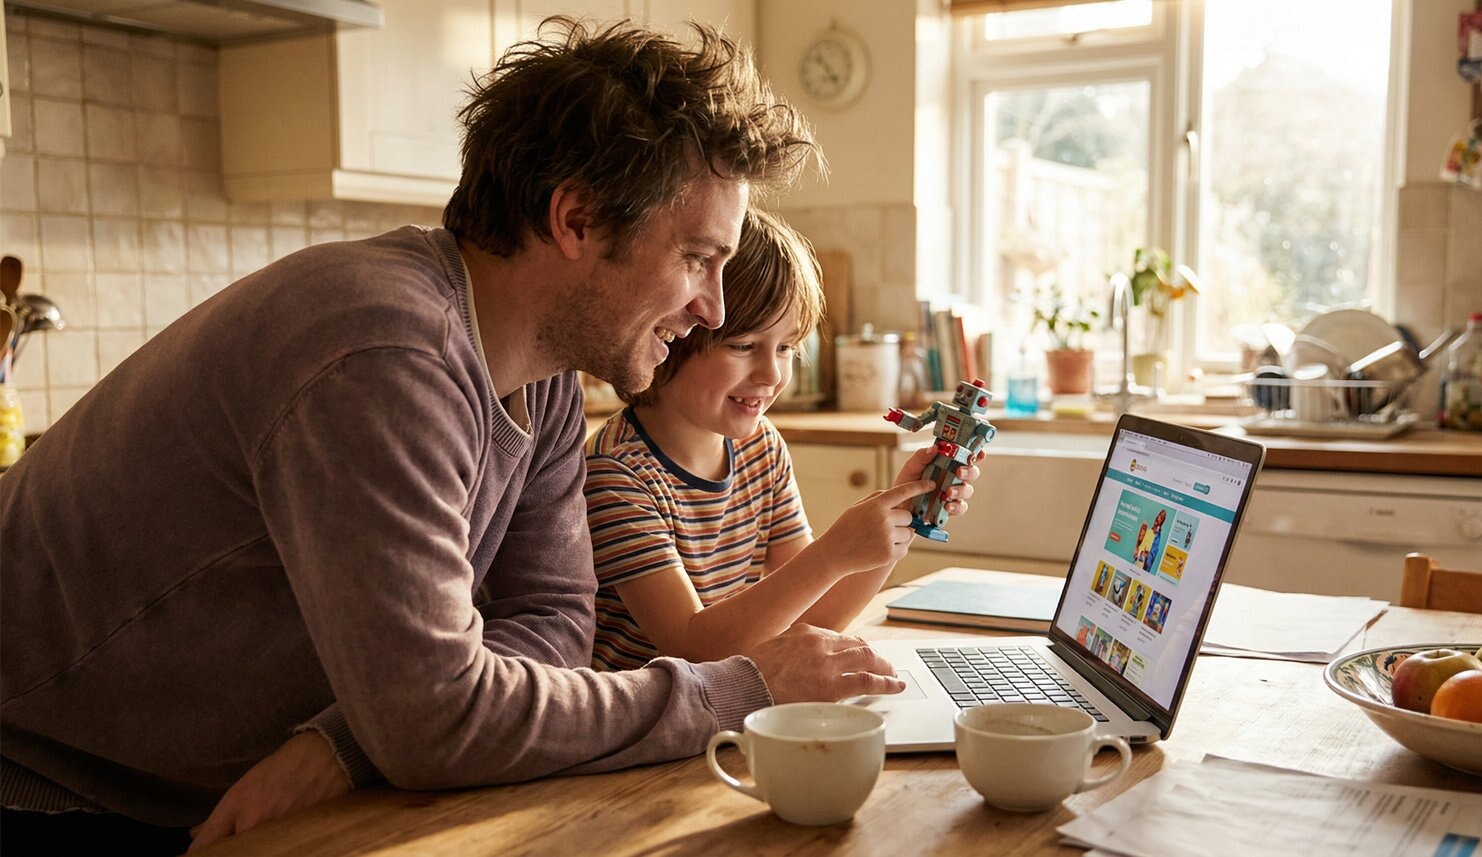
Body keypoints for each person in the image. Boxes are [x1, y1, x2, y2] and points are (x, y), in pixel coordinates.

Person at [0, 17, 904, 854]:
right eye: (697, 258)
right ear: (576, 219)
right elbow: (438, 719)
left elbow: (551, 624)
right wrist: (743, 689)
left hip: (224, 789)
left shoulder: (542, 372)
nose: (709, 306)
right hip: (51, 783)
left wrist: (346, 742)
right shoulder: (383, 351)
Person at [584, 209, 980, 670]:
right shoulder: (616, 476)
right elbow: (691, 648)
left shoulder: (760, 448)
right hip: (656, 727)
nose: (772, 375)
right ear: (674, 332)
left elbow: (816, 618)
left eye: (787, 347)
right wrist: (833, 553)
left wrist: (902, 516)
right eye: (744, 346)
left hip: (733, 707)